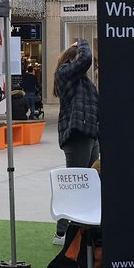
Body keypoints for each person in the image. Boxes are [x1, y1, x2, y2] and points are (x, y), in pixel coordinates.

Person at [53, 39, 99, 243]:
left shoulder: (81, 81)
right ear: (72, 59)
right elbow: (86, 58)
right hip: (77, 134)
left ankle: (82, 229)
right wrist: (82, 43)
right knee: (75, 185)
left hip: (89, 133)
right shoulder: (64, 73)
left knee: (90, 184)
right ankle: (62, 233)